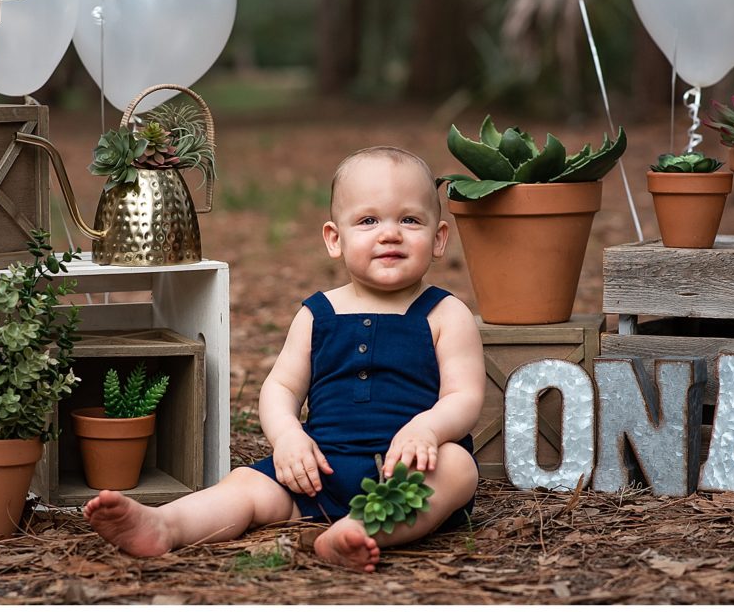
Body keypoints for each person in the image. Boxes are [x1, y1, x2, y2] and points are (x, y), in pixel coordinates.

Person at [84, 146, 486, 573]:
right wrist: (289, 439)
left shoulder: (446, 313)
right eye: (368, 221)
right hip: (318, 471)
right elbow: (281, 388)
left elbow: (464, 396)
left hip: (406, 471)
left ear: (439, 238)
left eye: (410, 219)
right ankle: (167, 524)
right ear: (335, 238)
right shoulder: (318, 314)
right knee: (244, 486)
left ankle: (359, 529)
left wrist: (428, 428)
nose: (390, 234)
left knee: (457, 468)